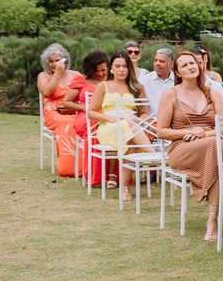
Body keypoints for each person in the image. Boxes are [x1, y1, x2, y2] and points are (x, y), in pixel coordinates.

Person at [155, 51, 223, 241]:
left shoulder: (213, 93)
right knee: (216, 150)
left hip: (212, 145)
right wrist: (188, 132)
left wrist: (204, 133)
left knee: (215, 155)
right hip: (182, 147)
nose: (191, 66)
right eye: (185, 65)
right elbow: (161, 131)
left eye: (193, 62)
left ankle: (212, 219)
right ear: (177, 72)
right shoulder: (170, 94)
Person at [88, 50, 156, 200]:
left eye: (125, 66)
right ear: (111, 67)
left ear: (129, 68)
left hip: (131, 127)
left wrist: (138, 120)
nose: (121, 70)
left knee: (129, 134)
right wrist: (110, 117)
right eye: (117, 66)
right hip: (108, 127)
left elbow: (144, 113)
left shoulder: (137, 87)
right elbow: (91, 112)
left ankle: (125, 188)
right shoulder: (103, 86)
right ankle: (152, 154)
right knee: (128, 127)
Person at [36, 43, 81, 177]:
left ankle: (89, 165)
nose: (54, 64)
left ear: (65, 60)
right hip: (53, 112)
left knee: (86, 122)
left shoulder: (75, 74)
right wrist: (57, 74)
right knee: (66, 123)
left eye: (57, 61)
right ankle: (70, 168)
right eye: (50, 61)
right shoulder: (43, 76)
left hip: (74, 110)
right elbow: (46, 93)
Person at [65, 50, 109, 186]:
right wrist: (86, 108)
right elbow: (66, 102)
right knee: (94, 124)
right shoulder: (81, 80)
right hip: (86, 116)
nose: (101, 74)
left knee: (116, 126)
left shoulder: (111, 81)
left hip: (107, 114)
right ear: (89, 69)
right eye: (97, 71)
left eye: (104, 70)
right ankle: (95, 176)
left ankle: (113, 175)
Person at [140, 48, 176, 116]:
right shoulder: (144, 81)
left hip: (174, 122)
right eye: (156, 60)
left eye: (161, 61)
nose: (157, 63)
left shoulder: (178, 81)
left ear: (171, 64)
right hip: (151, 121)